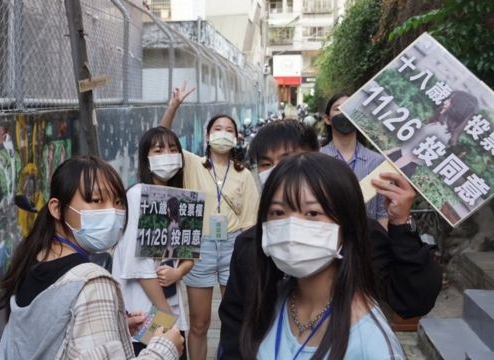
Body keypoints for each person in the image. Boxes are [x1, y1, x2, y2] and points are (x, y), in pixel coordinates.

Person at [218, 120, 442, 359]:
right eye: (266, 164)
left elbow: (412, 300)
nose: (280, 171)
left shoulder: (361, 235)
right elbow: (234, 327)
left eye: (288, 159)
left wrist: (401, 225)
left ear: (315, 158)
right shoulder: (252, 245)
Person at [0, 156, 184, 360]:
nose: (112, 212)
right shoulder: (93, 282)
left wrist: (116, 327)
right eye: (96, 200)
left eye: (118, 202)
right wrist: (164, 349)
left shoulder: (32, 260)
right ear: (56, 209)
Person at [241, 152, 405, 359]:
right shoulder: (272, 301)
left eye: (312, 213)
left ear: (346, 227)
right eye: (278, 213)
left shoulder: (370, 342)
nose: (292, 228)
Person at [161, 82, 259, 360]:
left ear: (237, 138)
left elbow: (251, 221)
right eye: (218, 129)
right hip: (199, 247)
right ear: (207, 135)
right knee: (200, 322)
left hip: (233, 245)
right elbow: (163, 139)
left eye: (229, 130)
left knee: (235, 318)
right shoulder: (192, 163)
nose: (223, 134)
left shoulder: (244, 174)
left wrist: (250, 259)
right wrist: (174, 106)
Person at [112, 127, 194, 359]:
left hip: (173, 308)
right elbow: (141, 268)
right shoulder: (138, 195)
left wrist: (178, 273)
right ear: (146, 159)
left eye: (172, 149)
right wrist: (168, 319)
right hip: (145, 310)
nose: (166, 154)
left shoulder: (182, 197)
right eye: (158, 150)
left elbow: (188, 254)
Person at [320, 93, 389, 227]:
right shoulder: (316, 159)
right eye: (338, 109)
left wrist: (380, 245)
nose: (345, 113)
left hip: (368, 242)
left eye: (350, 107)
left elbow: (382, 212)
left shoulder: (377, 162)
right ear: (327, 119)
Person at [386, 90, 479, 176]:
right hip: (399, 158)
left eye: (450, 101)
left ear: (458, 109)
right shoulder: (439, 125)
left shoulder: (441, 133)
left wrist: (390, 169)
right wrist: (390, 151)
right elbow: (412, 145)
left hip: (401, 165)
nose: (445, 102)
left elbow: (411, 156)